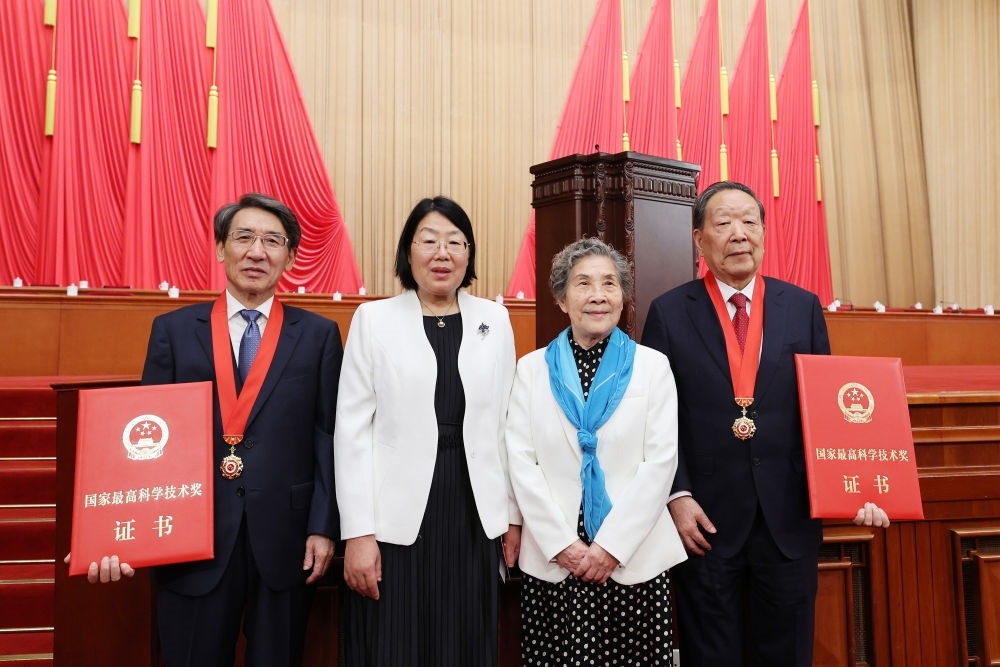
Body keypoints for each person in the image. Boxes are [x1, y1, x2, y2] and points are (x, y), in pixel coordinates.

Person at [74, 193, 343, 666]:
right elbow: (147, 437)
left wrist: (323, 526)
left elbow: (327, 437)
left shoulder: (319, 336)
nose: (256, 251)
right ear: (221, 248)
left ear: (290, 258)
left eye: (272, 241)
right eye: (244, 237)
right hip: (190, 542)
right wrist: (116, 536)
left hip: (287, 540)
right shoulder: (174, 331)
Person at [641, 181, 889, 667]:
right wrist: (677, 495)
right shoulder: (669, 312)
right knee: (711, 655)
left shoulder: (802, 306)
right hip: (704, 523)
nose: (739, 233)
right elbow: (654, 418)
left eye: (749, 221)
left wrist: (856, 484)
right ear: (699, 239)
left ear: (763, 232)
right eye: (723, 223)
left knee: (787, 653)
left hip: (787, 518)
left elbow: (829, 408)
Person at [334, 196, 520, 666]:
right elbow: (351, 434)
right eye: (429, 241)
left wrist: (512, 516)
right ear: (408, 251)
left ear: (469, 254)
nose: (443, 254)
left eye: (456, 242)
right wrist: (358, 533)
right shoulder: (373, 320)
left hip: (473, 510)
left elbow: (507, 426)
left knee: (464, 640)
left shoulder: (495, 320)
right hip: (394, 518)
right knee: (395, 641)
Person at [505, 237, 687, 666]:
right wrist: (563, 544)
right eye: (583, 283)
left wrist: (610, 547)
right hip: (555, 561)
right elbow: (521, 462)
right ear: (561, 299)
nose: (598, 295)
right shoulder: (531, 370)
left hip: (633, 560)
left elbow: (660, 464)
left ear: (623, 296)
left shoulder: (653, 366)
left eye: (609, 283)